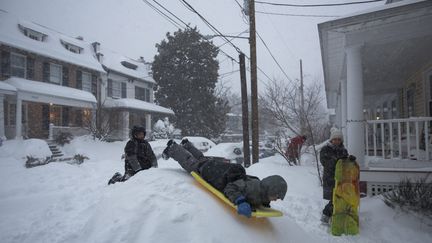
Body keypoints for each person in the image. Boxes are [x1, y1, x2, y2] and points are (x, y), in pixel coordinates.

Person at [162, 139, 287, 218]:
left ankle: (187, 145)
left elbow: (260, 196)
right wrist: (240, 201)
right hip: (213, 173)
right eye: (276, 196)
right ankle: (173, 148)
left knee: (201, 159)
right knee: (191, 164)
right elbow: (231, 188)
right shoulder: (251, 189)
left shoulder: (260, 186)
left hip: (218, 168)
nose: (276, 199)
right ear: (271, 190)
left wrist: (264, 203)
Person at [320, 128, 348, 224]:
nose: (336, 141)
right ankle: (326, 215)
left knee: (339, 197)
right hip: (330, 178)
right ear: (331, 140)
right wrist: (335, 160)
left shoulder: (343, 150)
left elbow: (346, 163)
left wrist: (350, 160)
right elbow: (324, 162)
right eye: (335, 139)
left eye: (339, 139)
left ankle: (333, 215)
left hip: (341, 178)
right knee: (334, 198)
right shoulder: (325, 149)